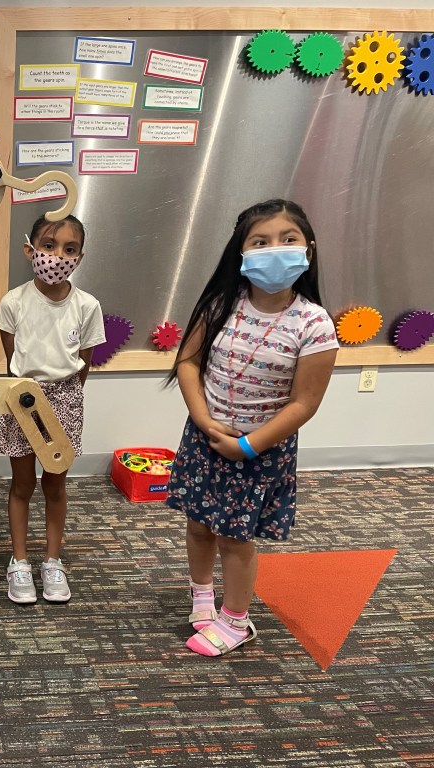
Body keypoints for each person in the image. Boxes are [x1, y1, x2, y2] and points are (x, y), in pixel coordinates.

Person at [165, 199, 338, 656]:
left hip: (260, 449)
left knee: (234, 536)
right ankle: (203, 596)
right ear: (241, 252)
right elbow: (187, 361)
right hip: (204, 438)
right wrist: (203, 421)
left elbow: (306, 401)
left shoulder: (314, 323)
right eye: (260, 241)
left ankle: (237, 622)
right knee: (199, 524)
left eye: (288, 239)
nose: (274, 250)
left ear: (309, 251)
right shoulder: (221, 304)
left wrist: (247, 445)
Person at [0, 213, 105, 605]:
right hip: (22, 399)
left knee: (55, 484)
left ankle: (52, 560)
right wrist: (29, 396)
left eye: (69, 249)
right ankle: (20, 561)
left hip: (65, 398)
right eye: (48, 245)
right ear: (31, 250)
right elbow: (11, 360)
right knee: (22, 483)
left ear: (79, 256)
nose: (58, 255)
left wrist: (66, 398)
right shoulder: (13, 302)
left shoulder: (87, 306)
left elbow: (84, 362)